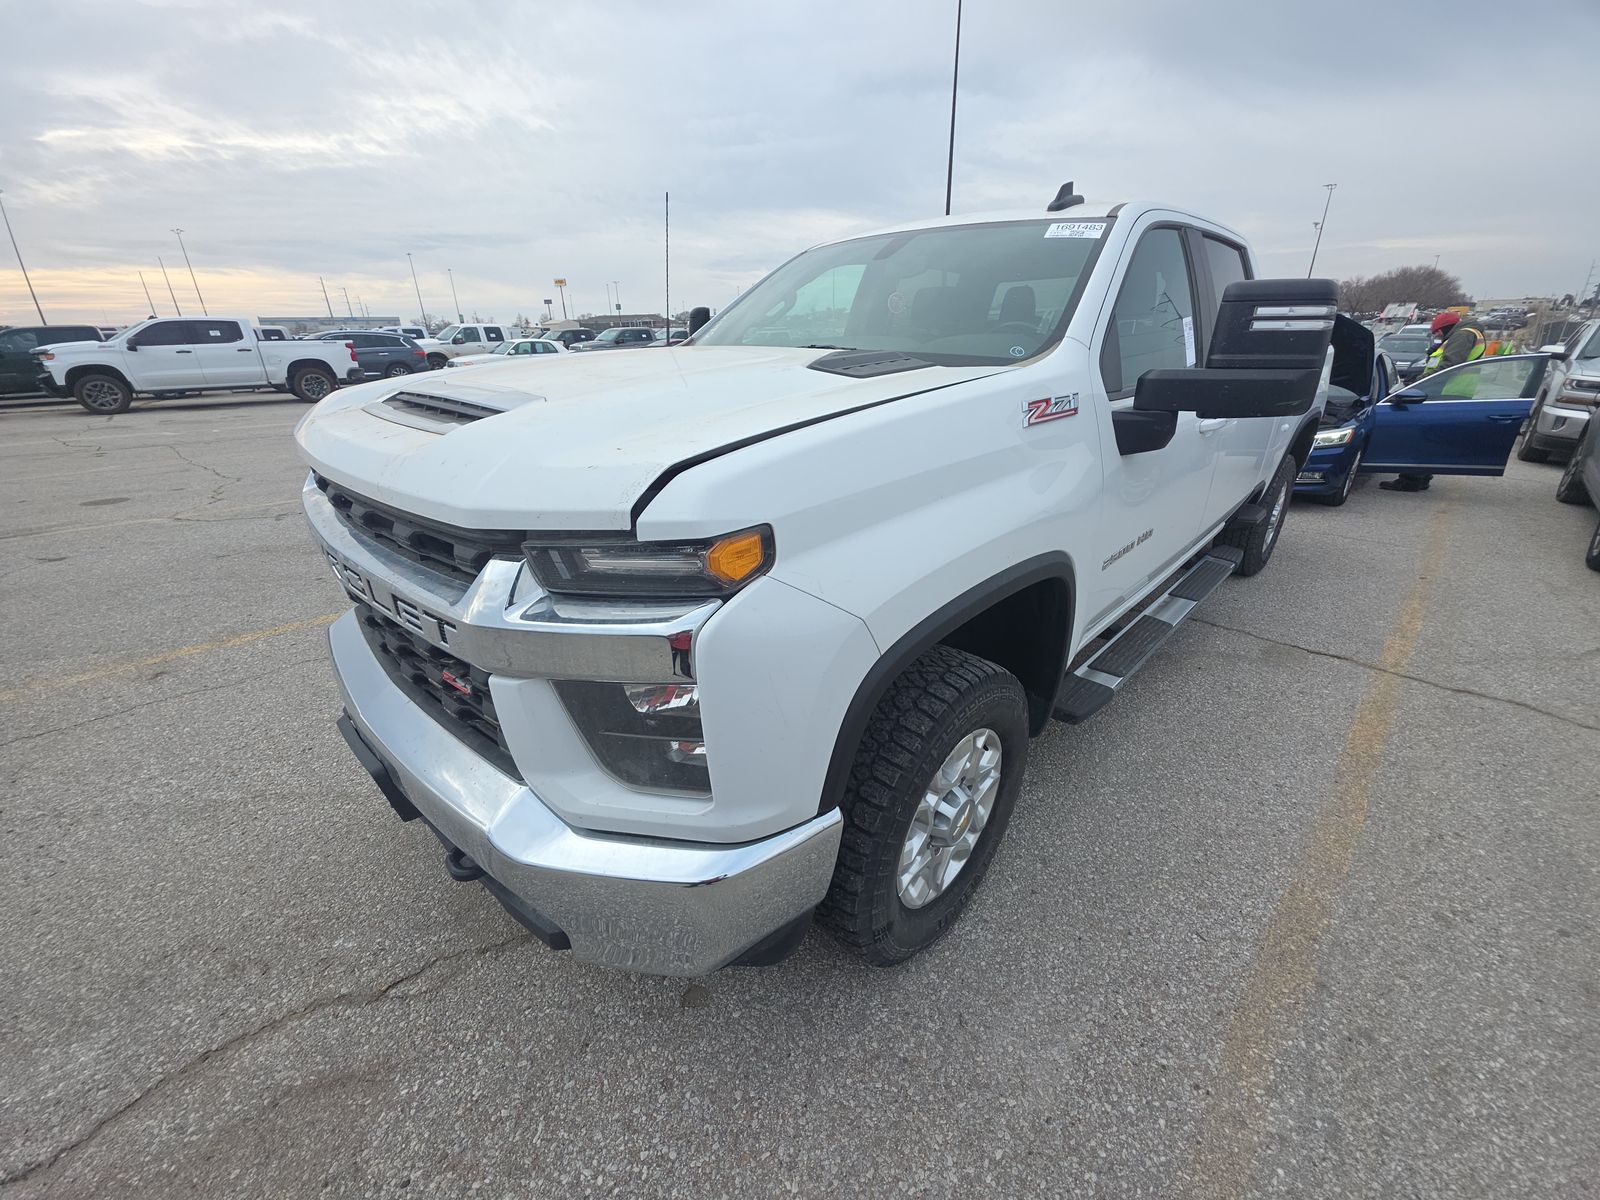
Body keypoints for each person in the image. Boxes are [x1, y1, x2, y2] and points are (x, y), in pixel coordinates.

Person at [1379, 311, 1485, 492]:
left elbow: (1448, 366)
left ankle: (1411, 480)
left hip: (1447, 391)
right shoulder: (1466, 334)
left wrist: (1421, 381)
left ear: (1446, 328)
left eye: (1438, 332)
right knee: (1431, 436)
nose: (1436, 335)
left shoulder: (1463, 335)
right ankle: (1421, 477)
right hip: (1452, 392)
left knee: (1421, 435)